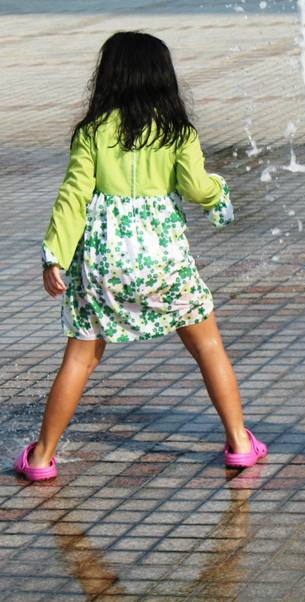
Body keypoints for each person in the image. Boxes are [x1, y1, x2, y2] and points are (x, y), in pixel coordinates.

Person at [15, 31, 267, 482]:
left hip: (102, 261)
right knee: (207, 344)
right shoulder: (177, 132)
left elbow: (73, 196)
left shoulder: (92, 133)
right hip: (162, 260)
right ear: (163, 79)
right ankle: (239, 442)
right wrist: (219, 198)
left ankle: (41, 458)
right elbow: (195, 186)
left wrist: (54, 255)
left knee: (81, 355)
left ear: (108, 78)